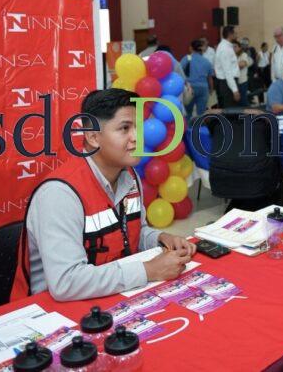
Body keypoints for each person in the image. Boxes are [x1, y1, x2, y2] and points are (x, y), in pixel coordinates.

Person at [12, 89, 196, 301]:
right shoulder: (59, 194)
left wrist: (161, 239)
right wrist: (148, 270)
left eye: (138, 127)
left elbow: (132, 233)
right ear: (93, 137)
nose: (137, 137)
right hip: (51, 311)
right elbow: (66, 282)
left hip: (109, 295)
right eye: (125, 128)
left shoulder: (129, 175)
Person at [181, 39, 214, 116]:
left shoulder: (186, 58)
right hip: (203, 88)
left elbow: (180, 73)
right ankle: (200, 127)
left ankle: (188, 127)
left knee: (188, 112)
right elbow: (210, 78)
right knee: (201, 113)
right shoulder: (206, 61)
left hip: (189, 88)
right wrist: (211, 89)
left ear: (191, 48)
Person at [214, 26, 240, 108]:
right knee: (230, 111)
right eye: (235, 33)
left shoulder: (227, 46)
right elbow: (227, 72)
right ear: (230, 34)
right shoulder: (225, 49)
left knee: (230, 111)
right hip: (227, 84)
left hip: (228, 83)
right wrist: (235, 90)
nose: (237, 35)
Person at [233, 39, 252, 106]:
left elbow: (242, 65)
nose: (233, 48)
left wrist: (231, 65)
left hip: (242, 81)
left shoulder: (243, 55)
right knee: (236, 102)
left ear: (239, 47)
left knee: (243, 101)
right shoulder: (232, 56)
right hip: (234, 82)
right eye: (232, 47)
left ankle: (247, 115)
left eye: (235, 46)